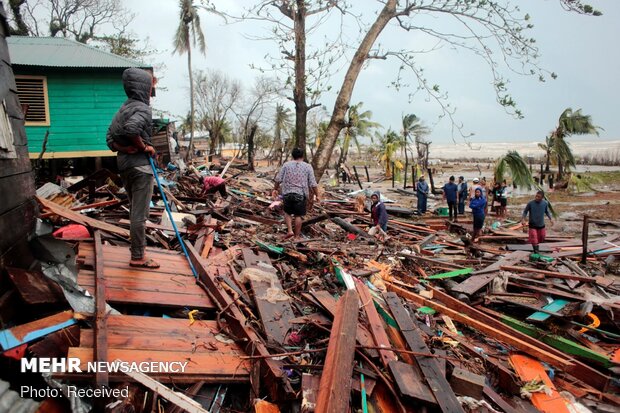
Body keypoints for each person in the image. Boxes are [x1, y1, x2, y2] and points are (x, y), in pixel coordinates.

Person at [106, 67, 159, 269]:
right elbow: (132, 129)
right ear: (143, 88)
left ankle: (138, 251)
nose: (150, 94)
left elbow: (109, 140)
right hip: (141, 167)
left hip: (125, 166)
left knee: (134, 212)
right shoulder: (143, 109)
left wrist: (124, 149)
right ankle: (138, 256)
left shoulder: (121, 110)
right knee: (140, 215)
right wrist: (145, 147)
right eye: (149, 89)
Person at [273, 148, 319, 239]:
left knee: (287, 213)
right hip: (300, 194)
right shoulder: (307, 166)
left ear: (292, 155)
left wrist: (275, 188)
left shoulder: (286, 165)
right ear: (303, 156)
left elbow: (278, 179)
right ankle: (297, 236)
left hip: (287, 193)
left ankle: (290, 231)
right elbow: (313, 183)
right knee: (299, 215)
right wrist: (317, 195)